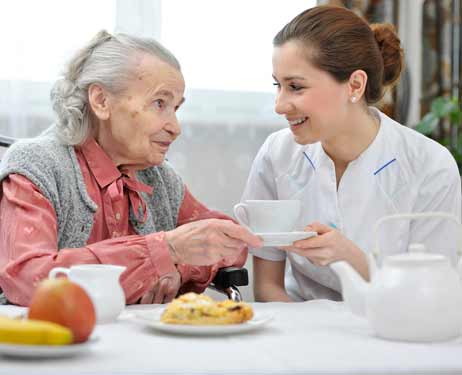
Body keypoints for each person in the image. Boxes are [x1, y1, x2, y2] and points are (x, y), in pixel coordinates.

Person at [0, 30, 262, 306]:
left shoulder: (159, 177)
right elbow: (27, 278)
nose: (175, 127)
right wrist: (165, 251)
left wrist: (177, 266)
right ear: (101, 101)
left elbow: (232, 242)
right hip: (55, 340)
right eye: (159, 103)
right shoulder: (37, 165)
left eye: (176, 108)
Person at [241, 6, 461, 302]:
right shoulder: (277, 154)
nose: (279, 105)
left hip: (393, 330)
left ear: (355, 85)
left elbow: (431, 296)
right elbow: (269, 289)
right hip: (299, 329)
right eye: (277, 85)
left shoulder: (430, 166)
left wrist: (350, 258)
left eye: (295, 87)